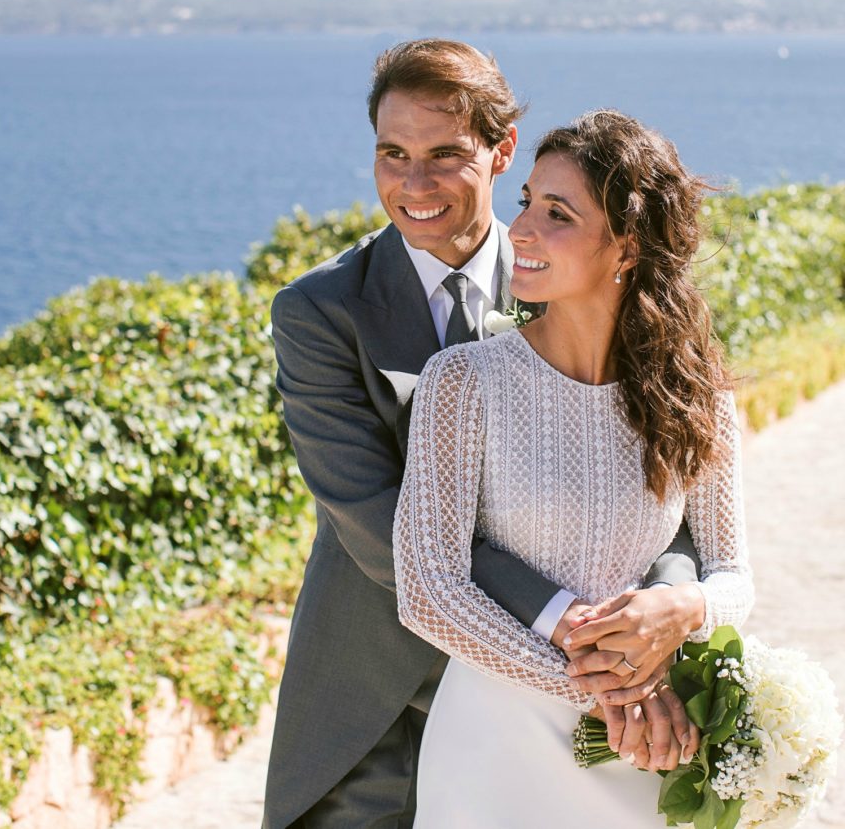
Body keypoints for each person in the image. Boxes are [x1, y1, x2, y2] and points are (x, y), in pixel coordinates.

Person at [263, 43, 706, 828]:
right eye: (392, 154)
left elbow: (662, 481)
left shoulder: (572, 273)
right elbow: (381, 528)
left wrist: (668, 601)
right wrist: (576, 636)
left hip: (555, 706)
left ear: (502, 152)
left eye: (444, 155)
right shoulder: (320, 312)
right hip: (379, 699)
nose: (413, 184)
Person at [393, 110, 755, 826]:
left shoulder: (697, 394)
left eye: (556, 213)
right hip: (498, 748)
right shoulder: (463, 381)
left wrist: (686, 609)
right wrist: (609, 689)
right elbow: (427, 587)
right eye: (525, 199)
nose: (520, 229)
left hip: (637, 752)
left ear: (625, 246)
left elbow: (734, 574)